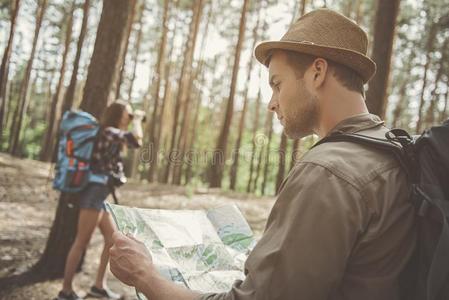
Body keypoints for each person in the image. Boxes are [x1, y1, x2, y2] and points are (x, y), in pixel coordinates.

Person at [108, 9, 416, 300]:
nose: (272, 103)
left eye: (277, 84)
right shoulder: (395, 149)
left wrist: (145, 277)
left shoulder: (327, 172)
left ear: (317, 72)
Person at [56, 101, 143, 300]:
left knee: (112, 239)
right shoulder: (108, 132)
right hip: (94, 192)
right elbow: (136, 140)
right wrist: (137, 120)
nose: (129, 118)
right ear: (119, 115)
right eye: (127, 114)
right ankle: (65, 291)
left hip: (101, 193)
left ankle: (98, 286)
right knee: (81, 241)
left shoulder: (109, 133)